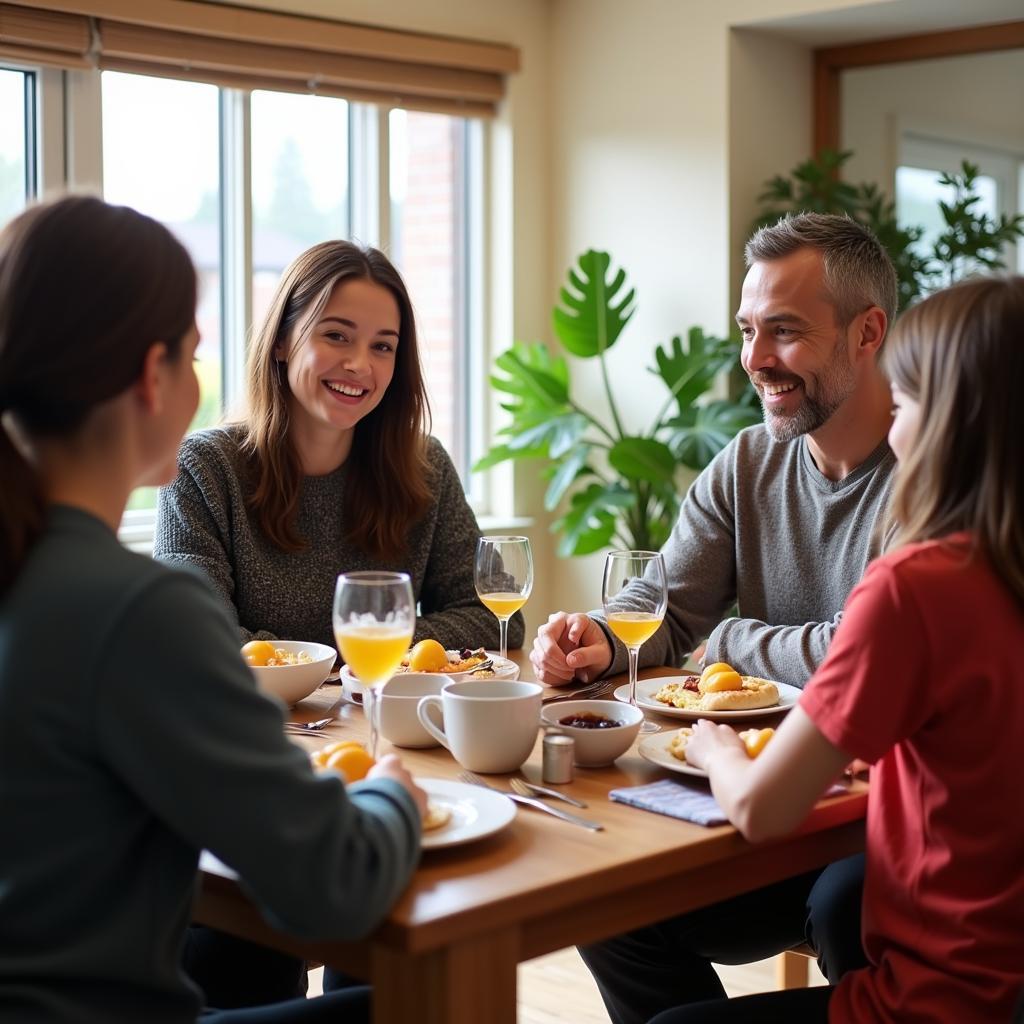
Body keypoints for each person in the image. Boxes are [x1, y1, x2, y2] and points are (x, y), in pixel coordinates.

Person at [0, 195, 426, 1024]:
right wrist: (392, 796)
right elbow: (336, 884)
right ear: (150, 375)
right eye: (194, 354)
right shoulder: (137, 612)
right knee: (438, 998)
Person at [531, 212, 898, 1021]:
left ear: (867, 332)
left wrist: (730, 641)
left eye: (786, 332)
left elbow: (863, 654)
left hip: (868, 827)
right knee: (604, 897)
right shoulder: (749, 461)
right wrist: (596, 637)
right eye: (747, 330)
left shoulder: (930, 474)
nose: (755, 360)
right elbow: (663, 602)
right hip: (752, 810)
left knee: (853, 904)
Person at [653, 274, 1024, 1023]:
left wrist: (712, 748)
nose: (893, 420)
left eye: (907, 399)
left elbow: (759, 809)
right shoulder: (1003, 570)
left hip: (933, 1002)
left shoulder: (918, 586)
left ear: (954, 420)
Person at [154, 239, 524, 655]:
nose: (360, 365)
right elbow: (197, 640)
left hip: (390, 718)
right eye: (336, 335)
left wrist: (360, 653)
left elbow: (495, 619)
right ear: (280, 341)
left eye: (382, 346)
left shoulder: (426, 466)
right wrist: (362, 648)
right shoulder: (203, 469)